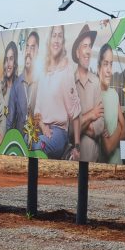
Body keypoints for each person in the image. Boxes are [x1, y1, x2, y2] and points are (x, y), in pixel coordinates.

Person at [31, 25, 79, 159]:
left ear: (63, 41)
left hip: (58, 132)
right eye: (54, 35)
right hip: (42, 129)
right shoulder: (42, 72)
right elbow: (37, 109)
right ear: (49, 40)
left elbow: (75, 111)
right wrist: (43, 127)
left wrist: (77, 145)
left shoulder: (67, 70)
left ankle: (66, 151)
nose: (56, 40)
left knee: (38, 145)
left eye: (60, 36)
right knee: (25, 139)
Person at [71, 25, 104, 162]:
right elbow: (69, 131)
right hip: (73, 162)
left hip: (94, 162)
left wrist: (79, 124)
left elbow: (100, 126)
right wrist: (91, 114)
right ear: (78, 53)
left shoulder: (96, 82)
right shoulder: (70, 82)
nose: (88, 51)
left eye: (90, 46)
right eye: (84, 46)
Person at [0, 41, 27, 141]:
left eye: (11, 59)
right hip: (2, 144)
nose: (8, 64)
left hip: (16, 144)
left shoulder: (20, 87)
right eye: (6, 59)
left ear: (15, 63)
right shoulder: (0, 87)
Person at [97, 44, 125, 164]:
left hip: (120, 164)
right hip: (104, 169)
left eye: (111, 64)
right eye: (105, 64)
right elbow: (108, 148)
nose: (109, 70)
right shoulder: (96, 96)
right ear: (98, 67)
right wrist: (120, 127)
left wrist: (119, 129)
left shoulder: (114, 94)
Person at [21, 31, 40, 117]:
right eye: (27, 47)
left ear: (37, 51)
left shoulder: (43, 82)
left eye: (32, 48)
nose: (28, 52)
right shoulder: (18, 83)